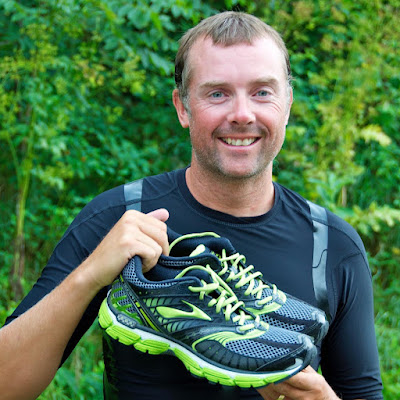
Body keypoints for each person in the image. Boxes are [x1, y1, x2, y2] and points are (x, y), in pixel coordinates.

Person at [0, 11, 382, 400]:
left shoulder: (332, 246)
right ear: (183, 107)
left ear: (287, 104)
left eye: (262, 92)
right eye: (217, 93)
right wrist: (90, 276)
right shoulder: (122, 217)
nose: (242, 114)